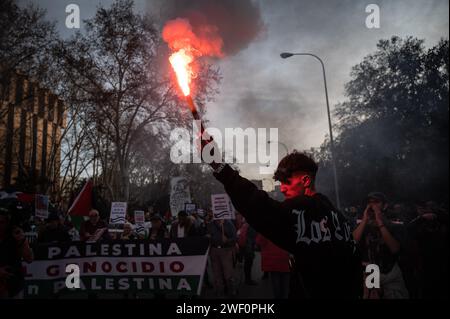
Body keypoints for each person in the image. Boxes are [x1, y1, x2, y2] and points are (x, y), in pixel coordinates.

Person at [209, 151, 362, 298]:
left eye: (287, 182)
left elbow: (258, 205)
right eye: (280, 182)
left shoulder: (303, 209)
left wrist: (220, 167)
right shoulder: (335, 212)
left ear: (306, 181)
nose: (282, 188)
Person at [353, 192, 409, 299]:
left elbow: (395, 249)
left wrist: (380, 222)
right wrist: (365, 220)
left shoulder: (394, 225)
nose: (372, 205)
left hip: (390, 274)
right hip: (370, 272)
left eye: (376, 202)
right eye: (369, 202)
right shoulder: (361, 224)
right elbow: (353, 243)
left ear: (385, 205)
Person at [0, 211, 33, 298]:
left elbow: (29, 259)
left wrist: (22, 241)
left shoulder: (14, 235)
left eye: (2, 222)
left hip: (14, 285)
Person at [207, 218, 238, 297]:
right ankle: (219, 290)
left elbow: (235, 238)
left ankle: (231, 290)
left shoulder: (229, 223)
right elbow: (208, 235)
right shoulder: (211, 224)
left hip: (226, 250)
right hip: (214, 250)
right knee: (216, 273)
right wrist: (208, 237)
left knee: (228, 273)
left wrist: (227, 240)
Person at [256, 234, 291, 298]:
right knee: (285, 284)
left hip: (273, 261)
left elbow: (259, 241)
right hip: (285, 259)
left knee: (276, 283)